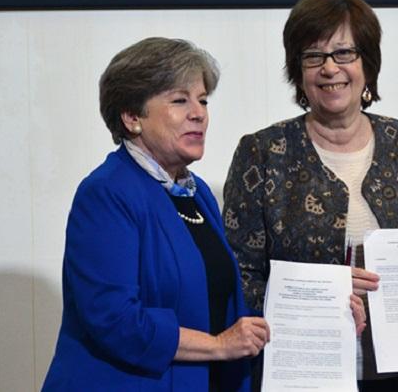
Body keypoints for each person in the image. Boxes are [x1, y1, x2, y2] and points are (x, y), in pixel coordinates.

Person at [222, 0, 398, 392]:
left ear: (368, 64)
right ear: (299, 71)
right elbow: (239, 279)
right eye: (313, 56)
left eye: (344, 53)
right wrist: (324, 294)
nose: (330, 68)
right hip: (311, 377)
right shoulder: (262, 152)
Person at [42, 37, 271, 391]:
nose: (199, 112)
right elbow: (115, 319)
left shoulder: (197, 194)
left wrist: (323, 309)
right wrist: (218, 346)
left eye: (203, 100)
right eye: (180, 100)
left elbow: (217, 303)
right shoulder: (106, 193)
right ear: (133, 117)